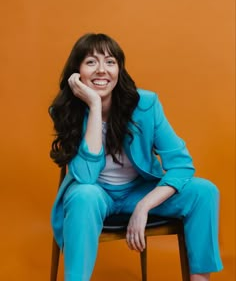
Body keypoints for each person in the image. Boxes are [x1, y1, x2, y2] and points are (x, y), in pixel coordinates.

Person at [49, 33, 223, 281]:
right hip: (96, 194)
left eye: (110, 62)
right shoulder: (66, 110)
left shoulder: (146, 105)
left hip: (139, 191)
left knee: (204, 191)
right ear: (76, 71)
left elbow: (182, 166)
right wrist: (95, 106)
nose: (102, 70)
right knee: (83, 194)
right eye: (91, 62)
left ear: (119, 69)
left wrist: (144, 206)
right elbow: (86, 177)